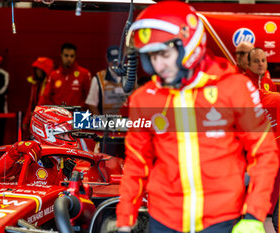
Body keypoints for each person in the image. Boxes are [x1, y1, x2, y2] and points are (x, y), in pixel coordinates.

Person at [115, 2, 279, 233]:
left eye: (164, 54)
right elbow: (136, 163)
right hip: (163, 220)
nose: (158, 65)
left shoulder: (233, 87)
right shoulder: (144, 98)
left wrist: (254, 215)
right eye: (151, 56)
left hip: (222, 219)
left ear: (189, 44)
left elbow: (264, 152)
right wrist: (124, 221)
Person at [0, 106, 79, 179]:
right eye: (63, 135)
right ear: (45, 132)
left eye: (69, 134)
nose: (68, 138)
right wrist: (14, 150)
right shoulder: (25, 156)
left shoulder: (71, 162)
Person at [38, 43, 91, 109]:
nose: (69, 59)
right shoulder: (54, 75)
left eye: (72, 56)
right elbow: (45, 97)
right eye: (66, 56)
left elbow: (90, 99)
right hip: (58, 116)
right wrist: (39, 113)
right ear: (61, 55)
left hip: (77, 116)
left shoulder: (84, 74)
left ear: (75, 57)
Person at [85, 45, 128, 115]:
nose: (115, 64)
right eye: (112, 60)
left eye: (117, 60)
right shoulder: (98, 78)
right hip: (107, 123)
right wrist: (101, 123)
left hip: (127, 123)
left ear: (122, 59)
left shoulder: (130, 76)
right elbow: (92, 105)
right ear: (107, 59)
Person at [22, 57, 54, 132]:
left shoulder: (50, 84)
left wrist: (35, 114)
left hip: (47, 120)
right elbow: (31, 103)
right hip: (36, 118)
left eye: (40, 69)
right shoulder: (35, 84)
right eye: (36, 69)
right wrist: (26, 120)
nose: (37, 71)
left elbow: (46, 102)